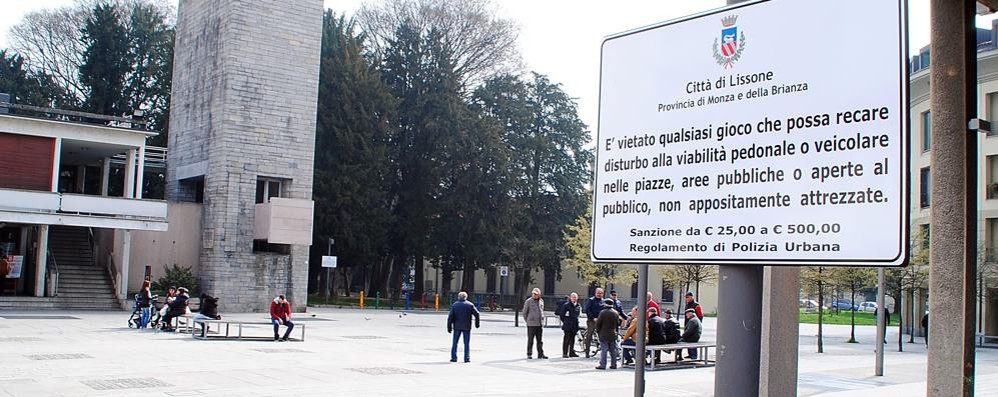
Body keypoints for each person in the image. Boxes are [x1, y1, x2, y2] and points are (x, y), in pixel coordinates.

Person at [447, 291, 480, 363]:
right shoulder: (470, 305)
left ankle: (454, 357)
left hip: (457, 326)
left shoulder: (455, 305)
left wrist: (449, 327)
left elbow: (450, 317)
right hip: (467, 326)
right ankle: (466, 358)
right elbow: (477, 314)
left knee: (455, 342)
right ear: (466, 297)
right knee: (466, 343)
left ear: (458, 297)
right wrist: (477, 324)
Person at [594, 298, 621, 370]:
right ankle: (614, 364)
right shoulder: (616, 312)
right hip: (613, 333)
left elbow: (598, 323)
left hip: (603, 333)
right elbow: (618, 323)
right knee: (613, 350)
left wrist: (598, 331)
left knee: (604, 350)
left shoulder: (602, 312)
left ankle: (603, 364)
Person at [522, 288, 547, 359]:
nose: (534, 295)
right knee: (530, 340)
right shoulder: (528, 301)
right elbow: (524, 312)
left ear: (539, 294)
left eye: (536, 294)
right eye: (533, 294)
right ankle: (529, 354)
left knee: (540, 340)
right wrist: (528, 320)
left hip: (539, 324)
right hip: (531, 324)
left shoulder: (541, 301)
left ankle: (540, 354)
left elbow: (542, 311)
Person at [583, 288, 605, 358]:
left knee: (602, 335)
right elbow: (587, 309)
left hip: (600, 321)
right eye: (598, 293)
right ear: (595, 293)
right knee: (589, 335)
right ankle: (587, 351)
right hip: (592, 321)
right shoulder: (591, 300)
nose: (599, 294)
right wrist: (592, 318)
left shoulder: (603, 301)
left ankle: (603, 352)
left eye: (601, 293)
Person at [558, 292, 581, 358]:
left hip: (574, 325)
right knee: (567, 339)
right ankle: (565, 353)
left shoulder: (578, 305)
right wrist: (565, 321)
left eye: (575, 297)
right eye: (573, 297)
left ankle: (571, 352)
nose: (574, 299)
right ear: (570, 298)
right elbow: (562, 315)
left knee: (572, 340)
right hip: (567, 325)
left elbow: (578, 315)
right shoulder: (566, 305)